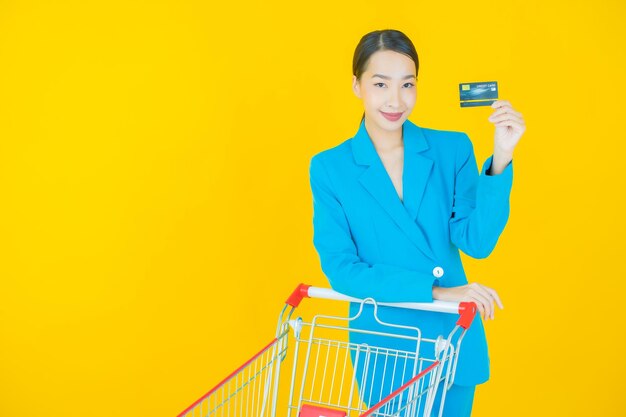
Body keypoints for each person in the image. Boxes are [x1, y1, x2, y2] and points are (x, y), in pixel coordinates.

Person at [308, 29, 526, 416]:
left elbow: (476, 242)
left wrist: (502, 157)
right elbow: (343, 270)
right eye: (380, 84)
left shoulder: (452, 148)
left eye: (407, 84)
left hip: (452, 344)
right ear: (356, 85)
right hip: (387, 347)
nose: (396, 100)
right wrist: (440, 293)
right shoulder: (330, 168)